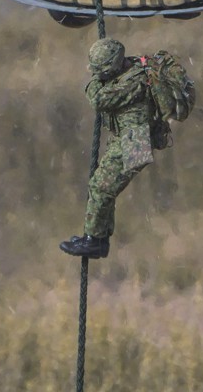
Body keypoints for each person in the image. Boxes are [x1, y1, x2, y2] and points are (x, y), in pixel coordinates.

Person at [60, 38, 161, 259]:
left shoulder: (133, 81)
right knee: (104, 187)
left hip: (135, 142)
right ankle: (97, 237)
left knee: (101, 186)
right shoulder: (129, 71)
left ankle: (94, 240)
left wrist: (94, 81)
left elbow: (98, 99)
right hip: (127, 138)